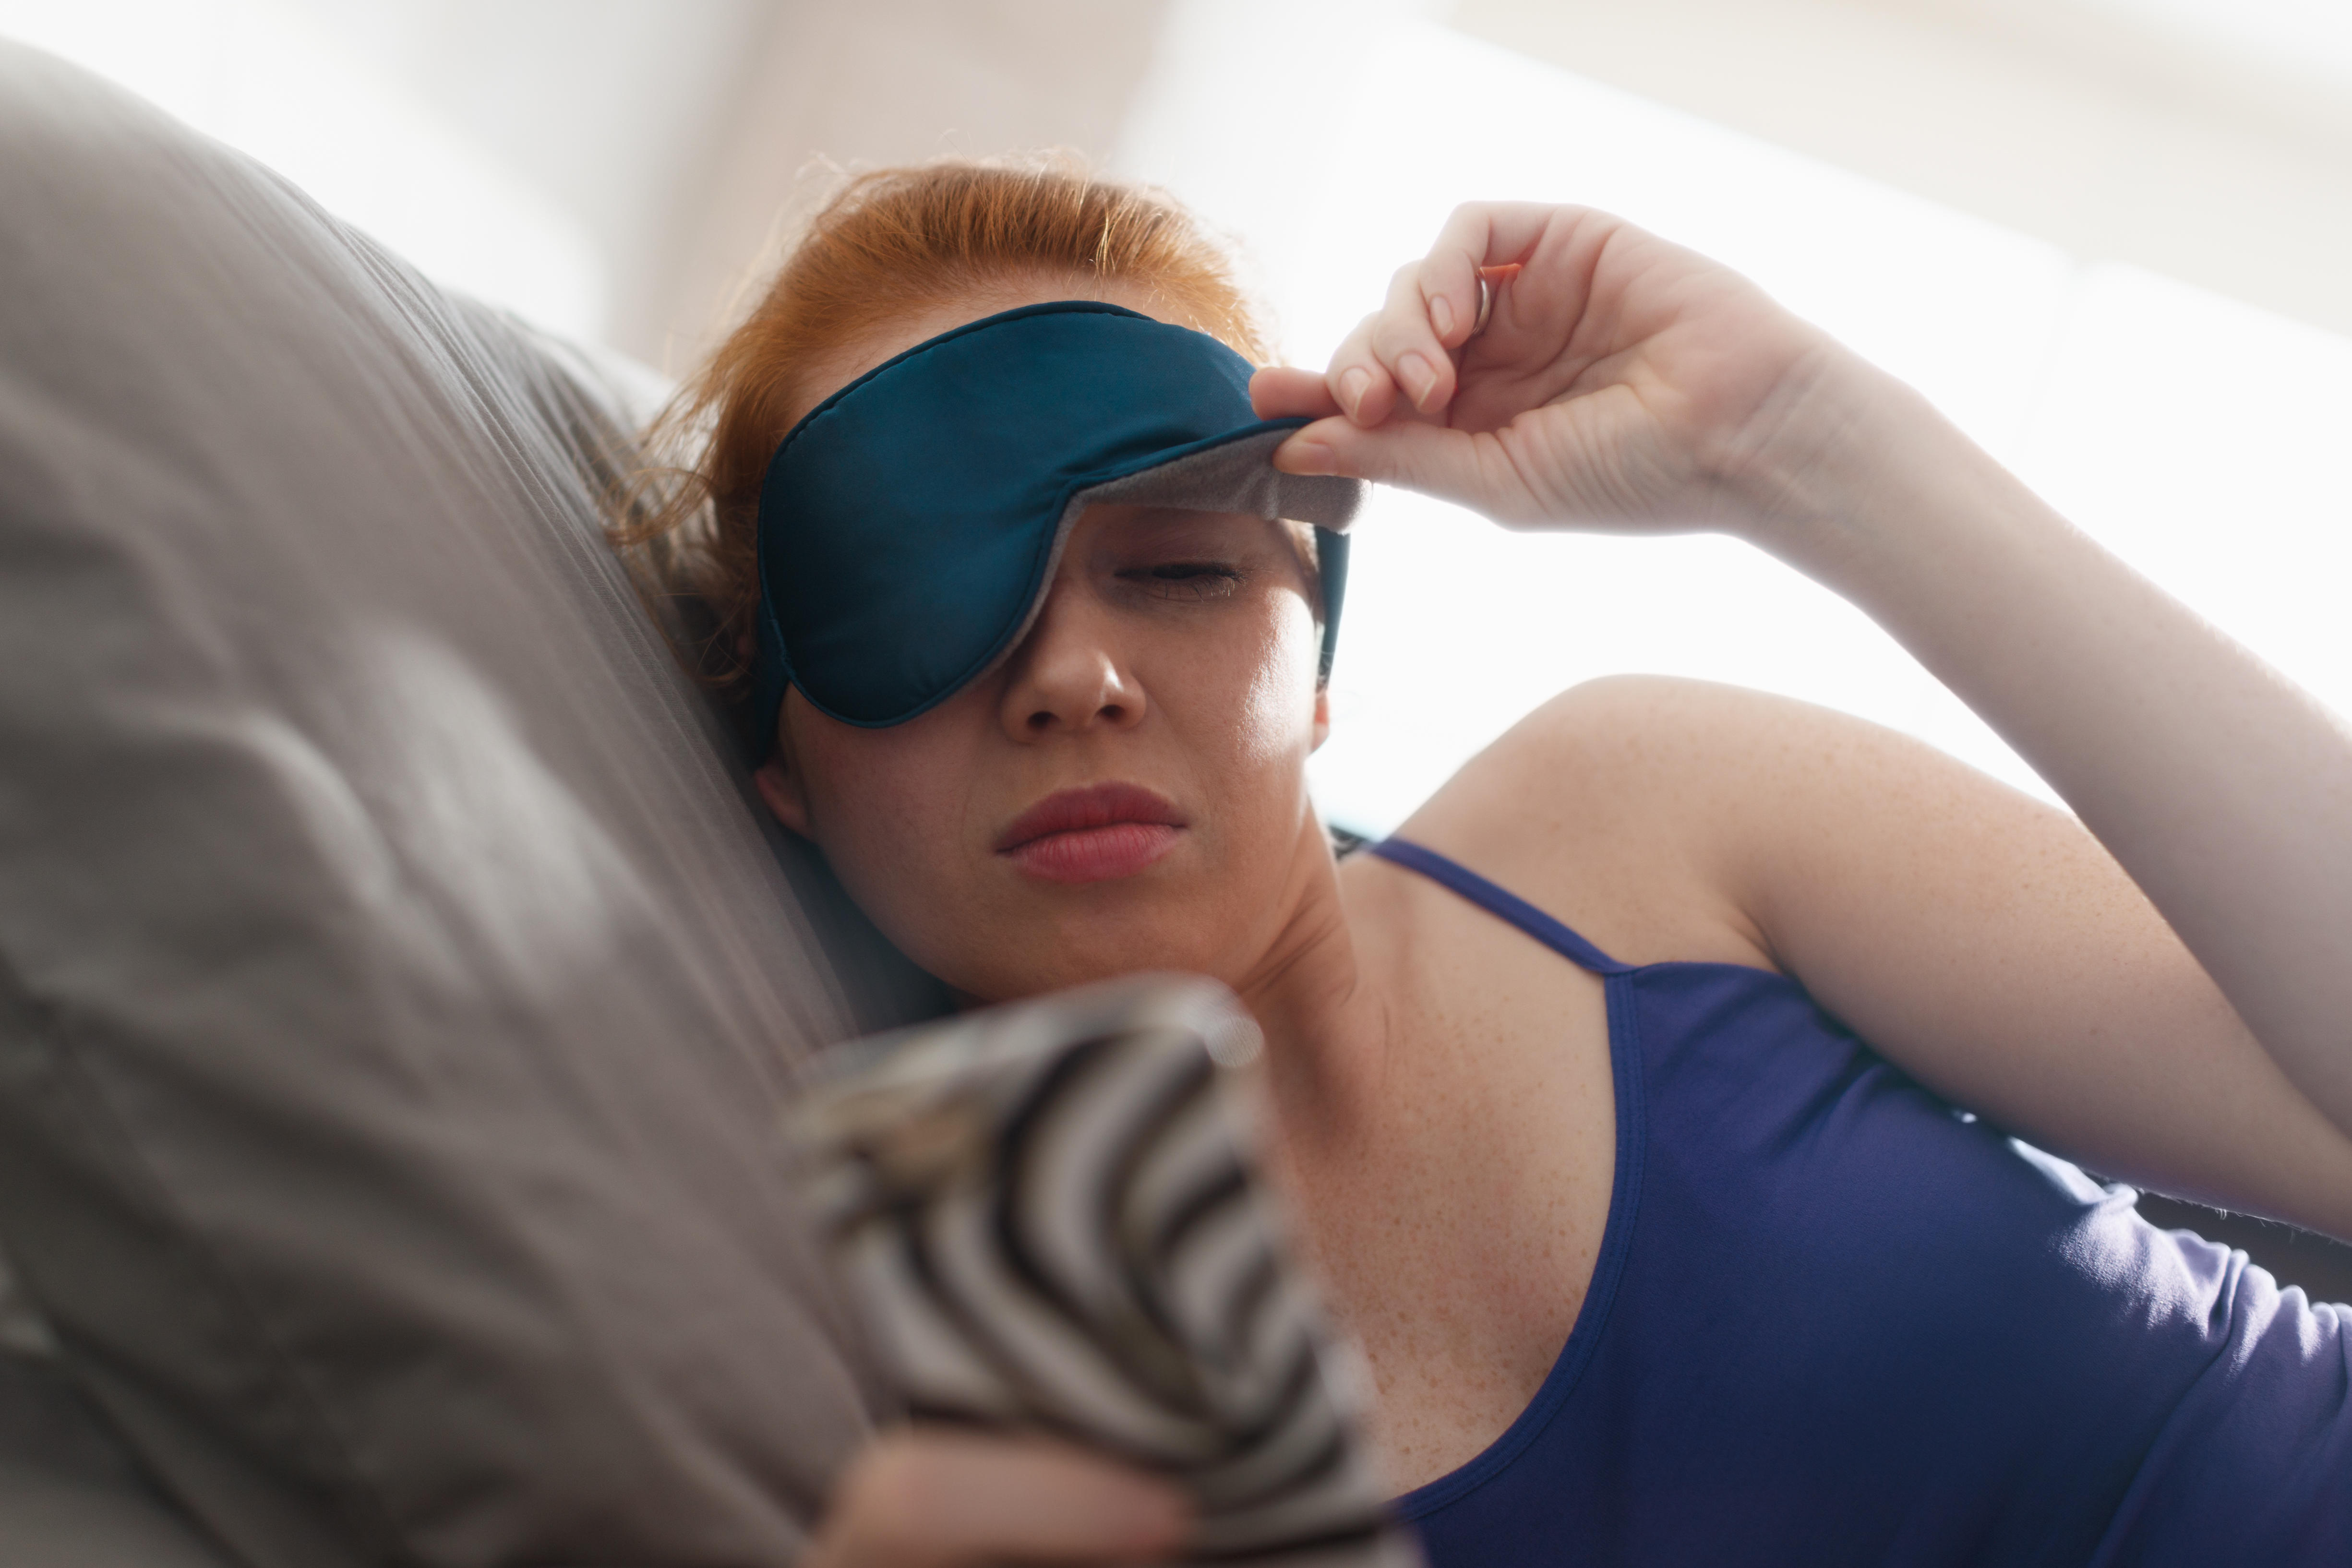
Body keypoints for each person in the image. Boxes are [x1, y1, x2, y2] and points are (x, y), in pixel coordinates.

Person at [620, 158, 2352, 1564]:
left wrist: (1802, 443)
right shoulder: (934, 1372)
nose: (1076, 680)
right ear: (780, 764)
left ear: (1315, 658)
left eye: (1179, 571)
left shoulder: (1635, 816)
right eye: (919, 606)